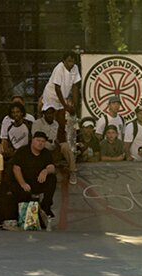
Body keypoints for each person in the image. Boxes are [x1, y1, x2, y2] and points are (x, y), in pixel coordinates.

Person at [40, 51, 80, 183]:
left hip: (62, 101)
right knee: (49, 129)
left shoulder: (75, 69)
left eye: (73, 61)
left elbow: (75, 87)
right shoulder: (59, 68)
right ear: (63, 61)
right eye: (68, 61)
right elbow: (57, 88)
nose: (71, 63)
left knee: (61, 131)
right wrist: (65, 105)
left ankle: (71, 168)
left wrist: (73, 104)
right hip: (52, 98)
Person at [12, 130, 57, 220]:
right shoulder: (22, 151)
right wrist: (22, 183)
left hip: (38, 181)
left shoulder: (46, 153)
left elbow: (52, 167)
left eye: (43, 141)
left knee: (52, 178)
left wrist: (45, 171)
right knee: (19, 189)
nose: (40, 143)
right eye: (38, 140)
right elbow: (16, 168)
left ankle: (46, 206)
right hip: (23, 182)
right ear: (32, 140)